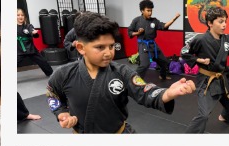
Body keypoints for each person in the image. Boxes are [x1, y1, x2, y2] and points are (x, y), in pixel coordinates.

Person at [46, 13, 192, 135]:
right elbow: (52, 92)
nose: (108, 52)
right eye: (100, 47)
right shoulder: (64, 74)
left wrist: (167, 94)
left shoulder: (122, 72)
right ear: (80, 48)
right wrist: (61, 113)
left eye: (111, 46)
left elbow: (144, 92)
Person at [128, 2, 178, 81]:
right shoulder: (136, 20)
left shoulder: (154, 21)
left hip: (153, 45)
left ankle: (162, 75)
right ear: (142, 11)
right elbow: (129, 32)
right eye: (148, 10)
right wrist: (138, 33)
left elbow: (164, 26)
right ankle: (134, 80)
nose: (150, 13)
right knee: (144, 65)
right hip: (143, 45)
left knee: (164, 62)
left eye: (151, 11)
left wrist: (174, 18)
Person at [17, 7, 53, 77]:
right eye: (18, 15)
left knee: (43, 61)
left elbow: (34, 34)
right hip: (19, 50)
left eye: (22, 15)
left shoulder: (28, 26)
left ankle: (51, 73)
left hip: (30, 49)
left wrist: (34, 33)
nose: (20, 17)